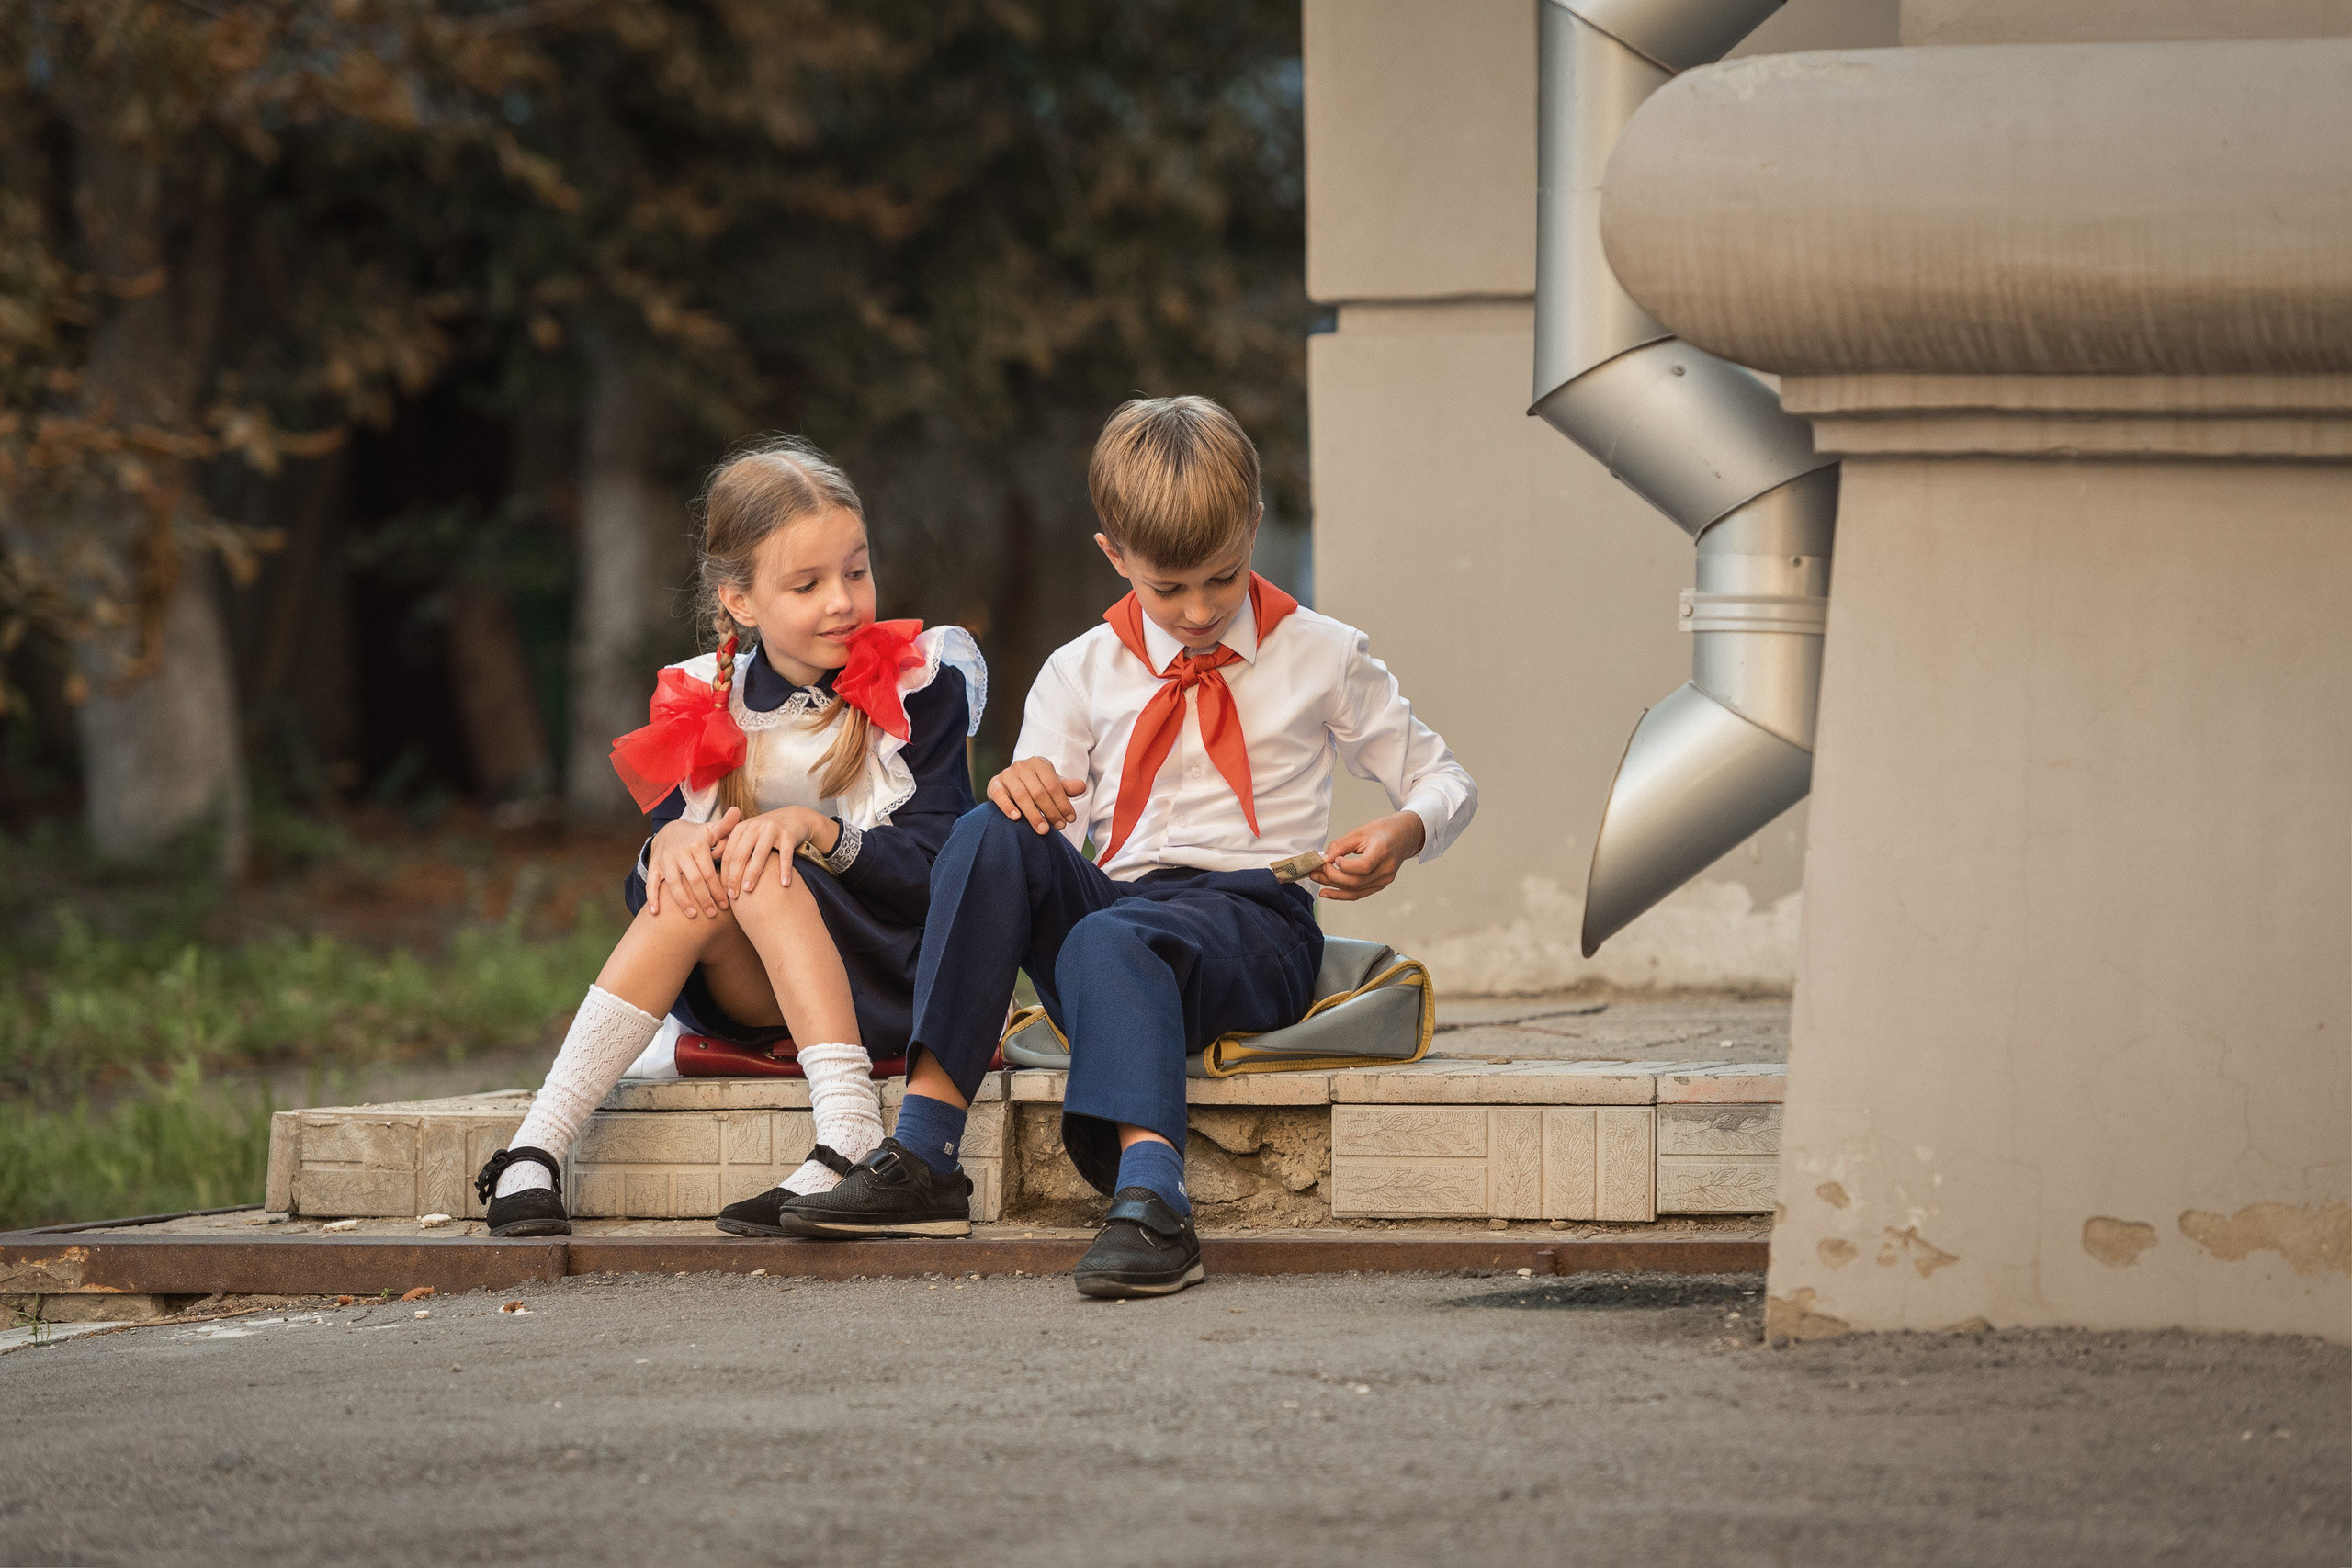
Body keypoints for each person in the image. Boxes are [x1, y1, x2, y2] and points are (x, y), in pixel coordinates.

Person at [778, 396, 1476, 1296]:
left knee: (1107, 936)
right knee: (989, 830)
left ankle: (1154, 1201)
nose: (1196, 611)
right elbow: (1050, 846)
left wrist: (1402, 829)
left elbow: (1443, 780)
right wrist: (1021, 791)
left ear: (1254, 527)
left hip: (1251, 921)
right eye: (1167, 587)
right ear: (1114, 556)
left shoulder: (1323, 654)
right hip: (1117, 912)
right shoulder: (1080, 670)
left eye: (1222, 580)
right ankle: (925, 1153)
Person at [473, 437, 985, 1238]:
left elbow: (945, 873)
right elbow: (666, 895)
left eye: (856, 570)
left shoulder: (922, 686)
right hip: (758, 985)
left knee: (757, 859)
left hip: (894, 974)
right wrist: (667, 844)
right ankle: (536, 1147)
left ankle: (849, 1127)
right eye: (807, 583)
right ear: (741, 601)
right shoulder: (700, 699)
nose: (843, 601)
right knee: (704, 865)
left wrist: (822, 831)